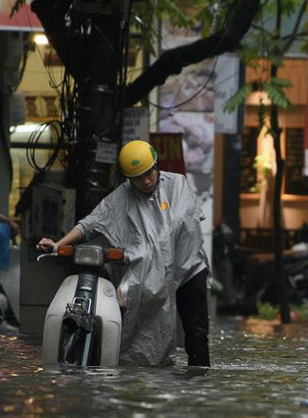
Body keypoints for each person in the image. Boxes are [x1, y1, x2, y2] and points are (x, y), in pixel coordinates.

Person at [38, 139, 209, 368]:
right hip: (149, 282)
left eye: (149, 173)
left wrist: (154, 252)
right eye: (138, 177)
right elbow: (91, 224)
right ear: (129, 179)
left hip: (187, 272)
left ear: (156, 166)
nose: (146, 181)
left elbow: (184, 227)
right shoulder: (121, 197)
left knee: (196, 335)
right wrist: (59, 244)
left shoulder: (178, 186)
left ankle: (198, 389)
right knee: (139, 339)